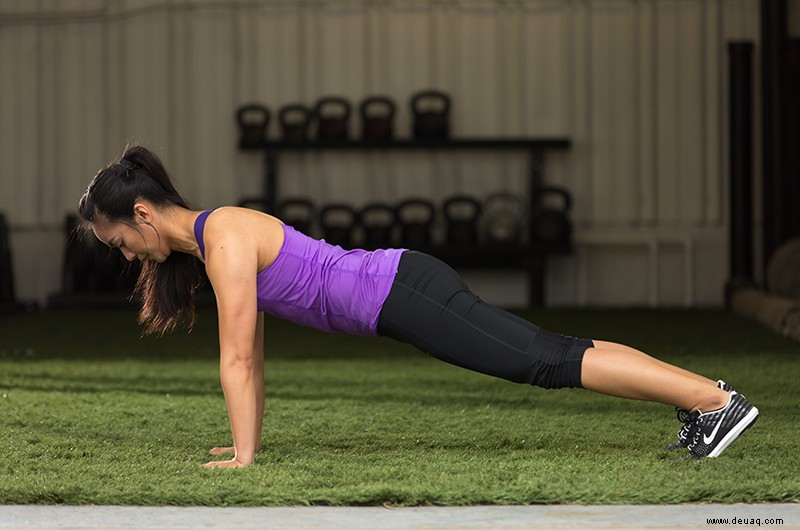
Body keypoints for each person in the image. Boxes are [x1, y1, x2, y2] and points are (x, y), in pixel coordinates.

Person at [77, 145, 758, 468]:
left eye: (120, 242)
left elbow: (239, 357)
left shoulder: (221, 236)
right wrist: (246, 443)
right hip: (402, 290)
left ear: (140, 214)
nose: (127, 255)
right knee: (547, 350)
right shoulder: (210, 239)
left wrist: (247, 457)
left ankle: (712, 401)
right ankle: (704, 402)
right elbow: (246, 356)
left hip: (404, 292)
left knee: (544, 361)